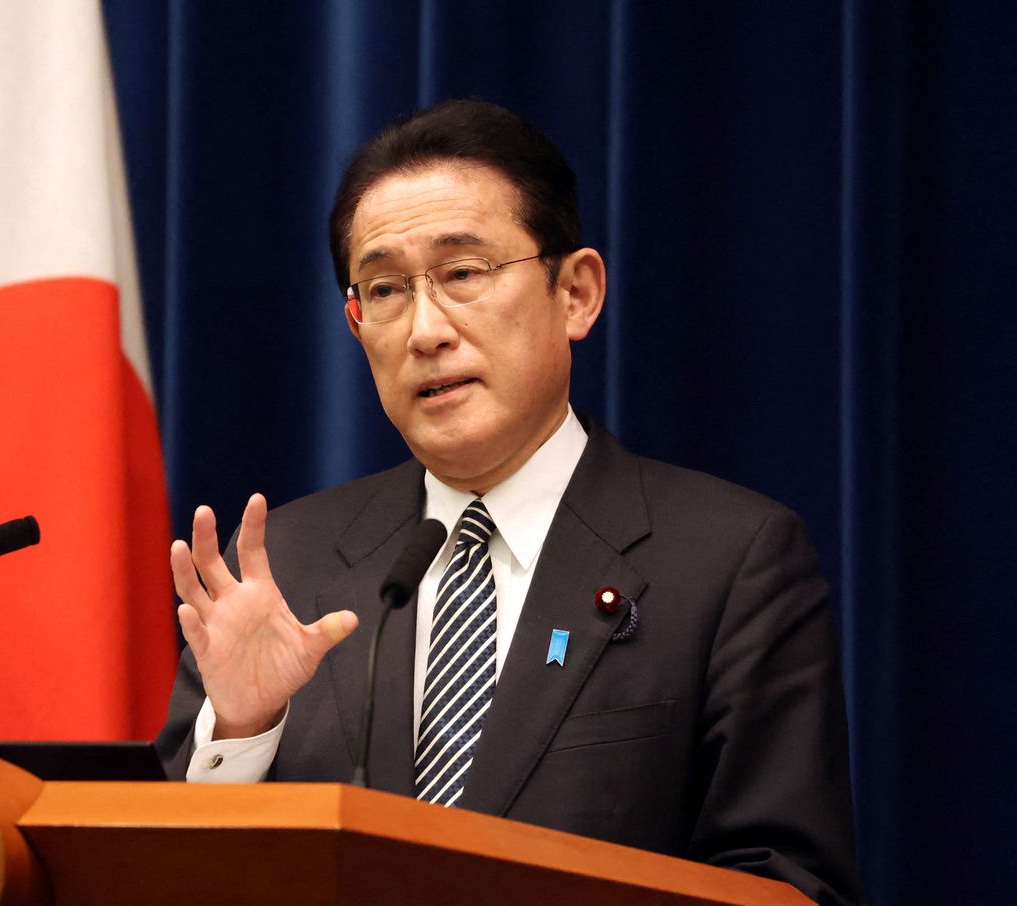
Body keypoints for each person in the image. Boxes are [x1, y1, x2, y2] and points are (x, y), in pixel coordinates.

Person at [155, 99, 861, 904]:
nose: (426, 330)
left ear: (577, 293)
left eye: (463, 274)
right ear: (356, 324)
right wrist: (245, 734)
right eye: (384, 289)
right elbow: (167, 878)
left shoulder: (729, 563)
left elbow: (787, 884)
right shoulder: (289, 568)